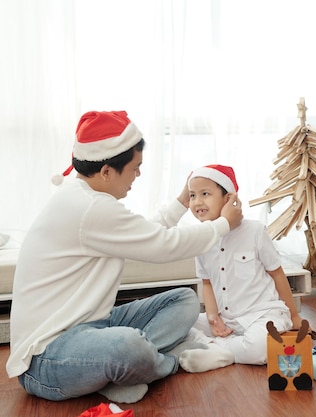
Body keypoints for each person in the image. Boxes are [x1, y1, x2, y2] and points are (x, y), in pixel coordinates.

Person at [6, 110, 243, 404]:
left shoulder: (84, 197)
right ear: (107, 171)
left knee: (183, 300)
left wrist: (183, 202)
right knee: (126, 345)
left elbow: (143, 233)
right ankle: (170, 361)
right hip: (45, 361)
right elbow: (164, 245)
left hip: (93, 326)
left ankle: (124, 372)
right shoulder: (90, 207)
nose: (139, 174)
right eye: (135, 167)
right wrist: (223, 225)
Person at [180, 164, 304, 368]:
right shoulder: (201, 239)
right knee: (182, 324)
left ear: (229, 199)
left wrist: (294, 315)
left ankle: (215, 349)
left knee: (258, 346)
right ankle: (225, 349)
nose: (197, 202)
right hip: (226, 320)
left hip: (263, 314)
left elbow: (278, 274)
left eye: (205, 194)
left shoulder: (255, 231)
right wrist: (212, 316)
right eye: (192, 195)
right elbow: (207, 283)